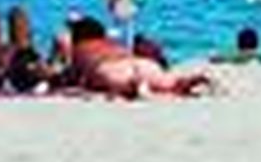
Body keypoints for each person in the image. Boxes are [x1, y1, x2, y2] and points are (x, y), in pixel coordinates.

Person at [68, 15, 211, 99]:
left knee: (120, 82)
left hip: (113, 68)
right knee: (169, 83)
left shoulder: (80, 49)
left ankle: (136, 86)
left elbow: (73, 78)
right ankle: (188, 80)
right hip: (143, 64)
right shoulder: (113, 43)